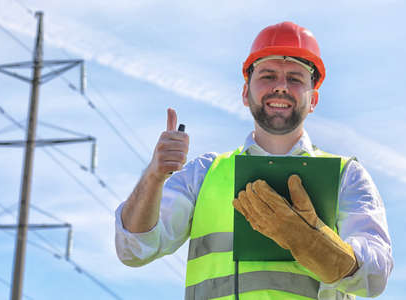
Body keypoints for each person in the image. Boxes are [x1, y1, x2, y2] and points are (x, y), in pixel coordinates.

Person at [115, 21, 393, 299]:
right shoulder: (204, 173)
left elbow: (375, 277)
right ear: (245, 93)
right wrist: (153, 177)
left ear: (314, 100)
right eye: (268, 76)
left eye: (295, 78)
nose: (281, 87)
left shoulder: (346, 176)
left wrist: (313, 242)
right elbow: (134, 249)